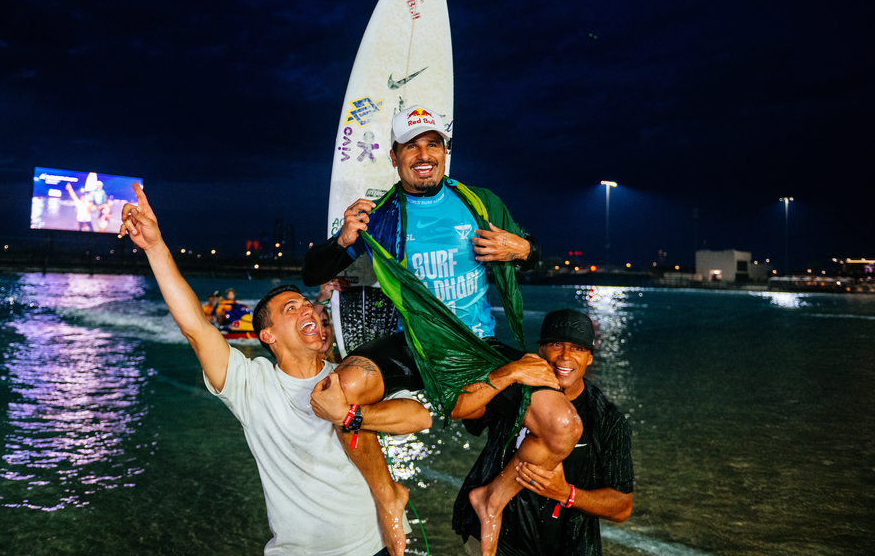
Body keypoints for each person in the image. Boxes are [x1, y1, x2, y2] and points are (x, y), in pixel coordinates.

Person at [303, 105, 583, 555]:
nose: (423, 153)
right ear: (394, 157)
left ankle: (492, 497)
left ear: (446, 152)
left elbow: (537, 258)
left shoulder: (480, 204)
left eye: (433, 143)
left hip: (477, 344)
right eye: (411, 146)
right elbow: (311, 270)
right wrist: (343, 241)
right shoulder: (380, 216)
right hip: (411, 343)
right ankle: (387, 495)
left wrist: (524, 248)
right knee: (339, 390)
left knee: (564, 425)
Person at [119, 184, 431, 556]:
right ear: (267, 335)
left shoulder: (350, 373)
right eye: (291, 309)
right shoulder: (251, 384)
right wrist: (155, 247)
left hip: (375, 545)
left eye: (305, 304)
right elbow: (196, 328)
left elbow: (419, 417)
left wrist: (351, 415)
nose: (307, 311)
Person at [453, 309, 634, 556]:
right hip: (497, 539)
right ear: (541, 351)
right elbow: (460, 407)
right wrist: (508, 373)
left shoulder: (606, 420)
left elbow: (622, 506)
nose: (565, 356)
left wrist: (566, 494)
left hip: (570, 547)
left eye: (578, 348)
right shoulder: (514, 392)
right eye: (557, 344)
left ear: (590, 358)